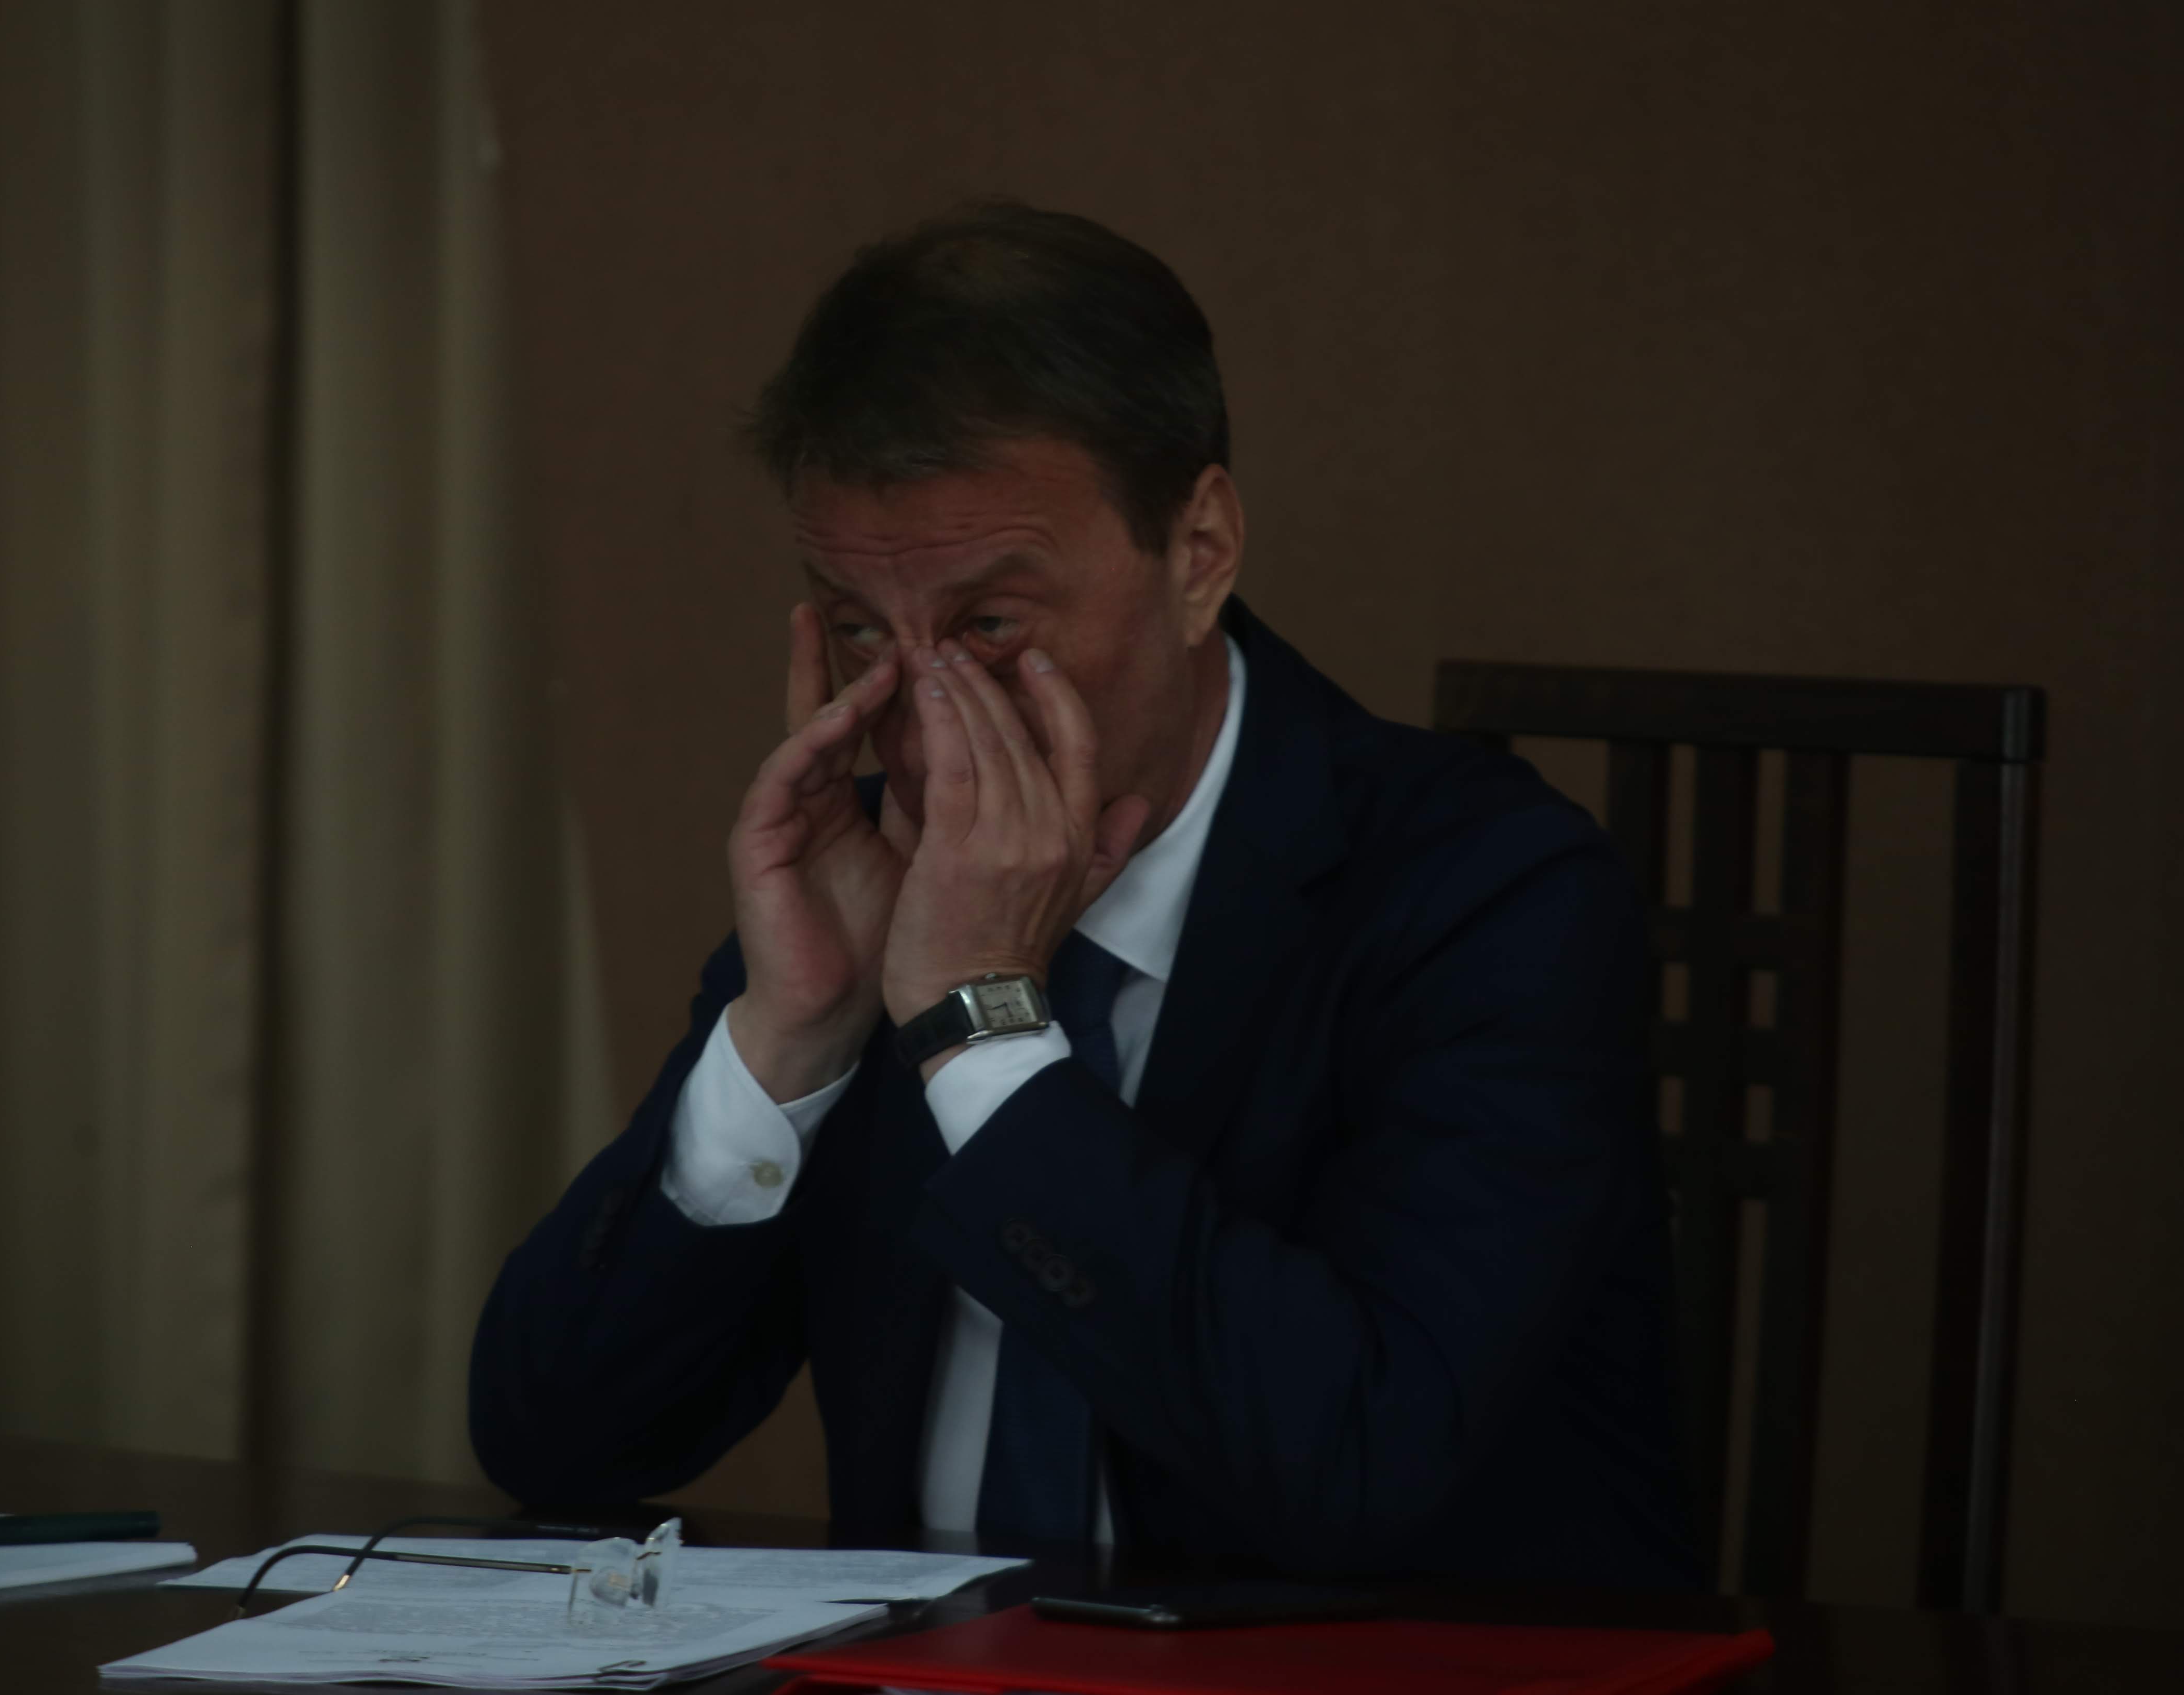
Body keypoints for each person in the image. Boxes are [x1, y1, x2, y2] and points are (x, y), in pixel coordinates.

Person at [470, 202, 1700, 1590]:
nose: (922, 722)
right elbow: (555, 1444)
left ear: (1200, 551)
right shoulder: (866, 885)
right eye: (864, 630)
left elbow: (1366, 1466)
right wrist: (789, 1039)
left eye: (991, 625)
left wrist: (979, 1030)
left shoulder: (1490, 892)